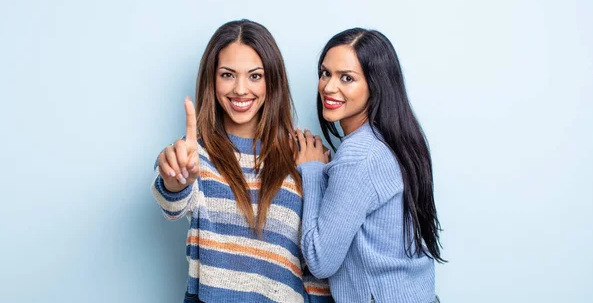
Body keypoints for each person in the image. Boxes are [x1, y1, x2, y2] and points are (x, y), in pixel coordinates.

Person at [152, 19, 332, 303]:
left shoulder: (302, 157)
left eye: (255, 76)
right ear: (211, 80)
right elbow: (172, 200)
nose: (240, 89)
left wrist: (315, 173)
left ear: (272, 81)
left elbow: (317, 267)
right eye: (227, 75)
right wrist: (175, 179)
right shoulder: (195, 155)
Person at [295, 28, 444, 303]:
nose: (328, 87)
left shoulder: (359, 156)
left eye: (347, 78)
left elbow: (319, 260)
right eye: (326, 73)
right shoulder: (390, 140)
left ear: (375, 86)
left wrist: (313, 171)